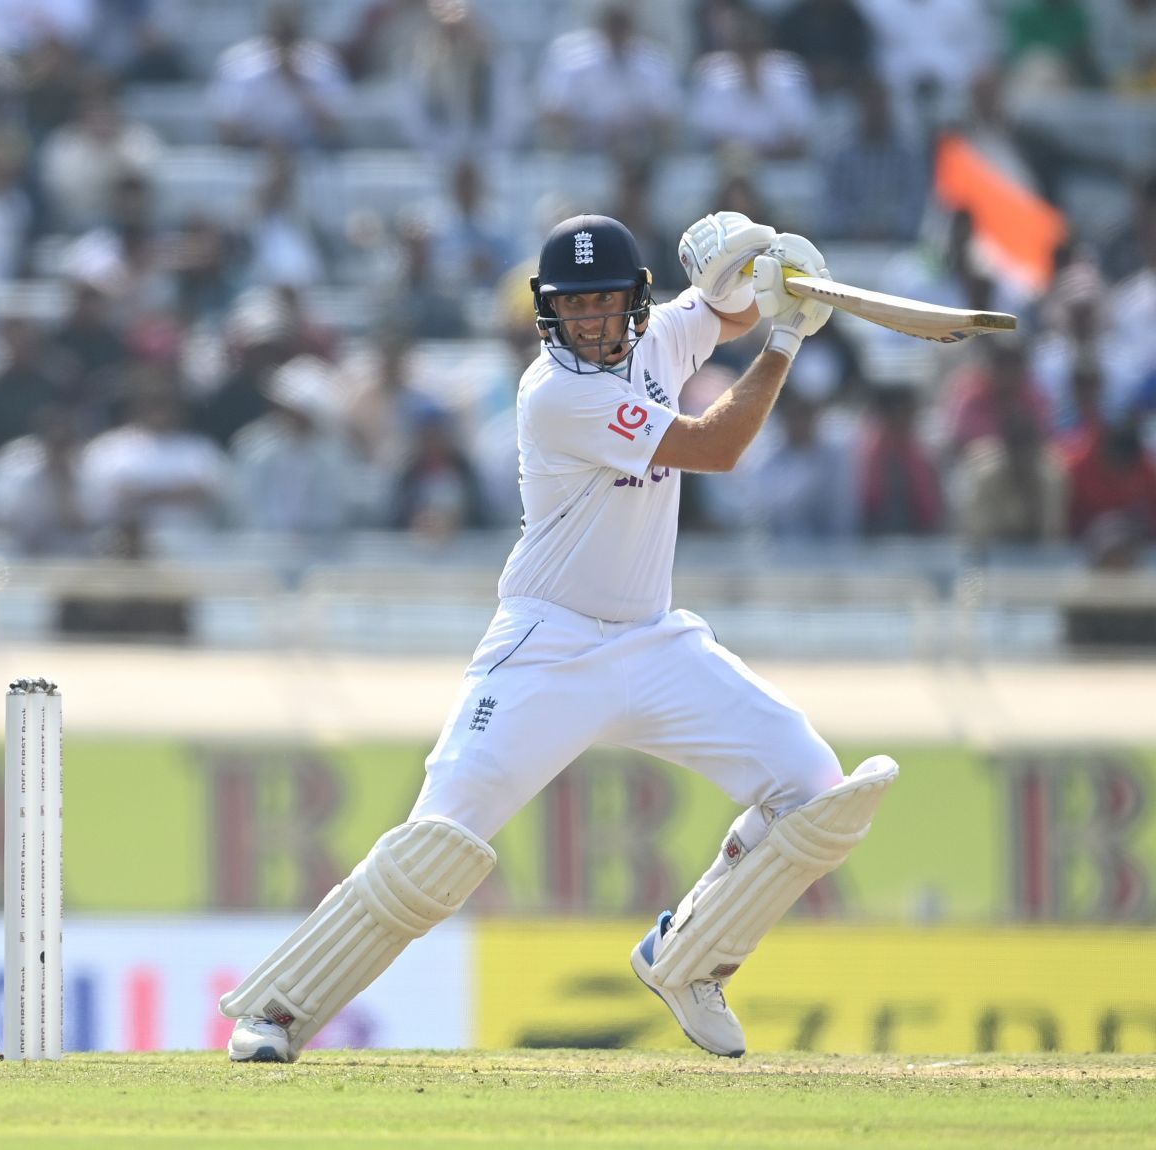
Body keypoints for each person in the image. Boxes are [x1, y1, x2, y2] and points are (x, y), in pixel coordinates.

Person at [220, 213, 900, 1063]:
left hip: (654, 644)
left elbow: (717, 315)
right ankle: (276, 1012)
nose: (591, 323)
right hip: (548, 646)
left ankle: (687, 961)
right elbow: (717, 446)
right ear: (549, 314)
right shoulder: (557, 392)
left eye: (607, 305)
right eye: (574, 309)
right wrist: (786, 341)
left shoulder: (657, 339)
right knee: (439, 840)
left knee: (816, 789)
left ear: (633, 305)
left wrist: (767, 276)